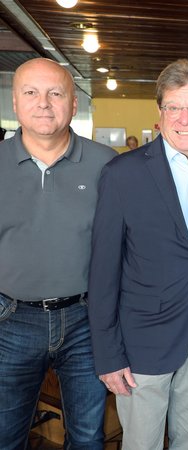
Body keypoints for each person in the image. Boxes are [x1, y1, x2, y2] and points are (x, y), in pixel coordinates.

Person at [88, 59, 188, 450]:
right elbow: (103, 271)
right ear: (160, 113)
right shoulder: (123, 173)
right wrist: (108, 354)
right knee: (142, 443)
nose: (186, 119)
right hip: (142, 339)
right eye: (175, 107)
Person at [0, 58, 116, 449]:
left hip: (87, 321)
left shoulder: (107, 165)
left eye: (56, 93)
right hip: (10, 321)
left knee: (87, 437)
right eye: (31, 93)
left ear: (74, 103)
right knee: (5, 435)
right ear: (15, 102)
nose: (44, 103)